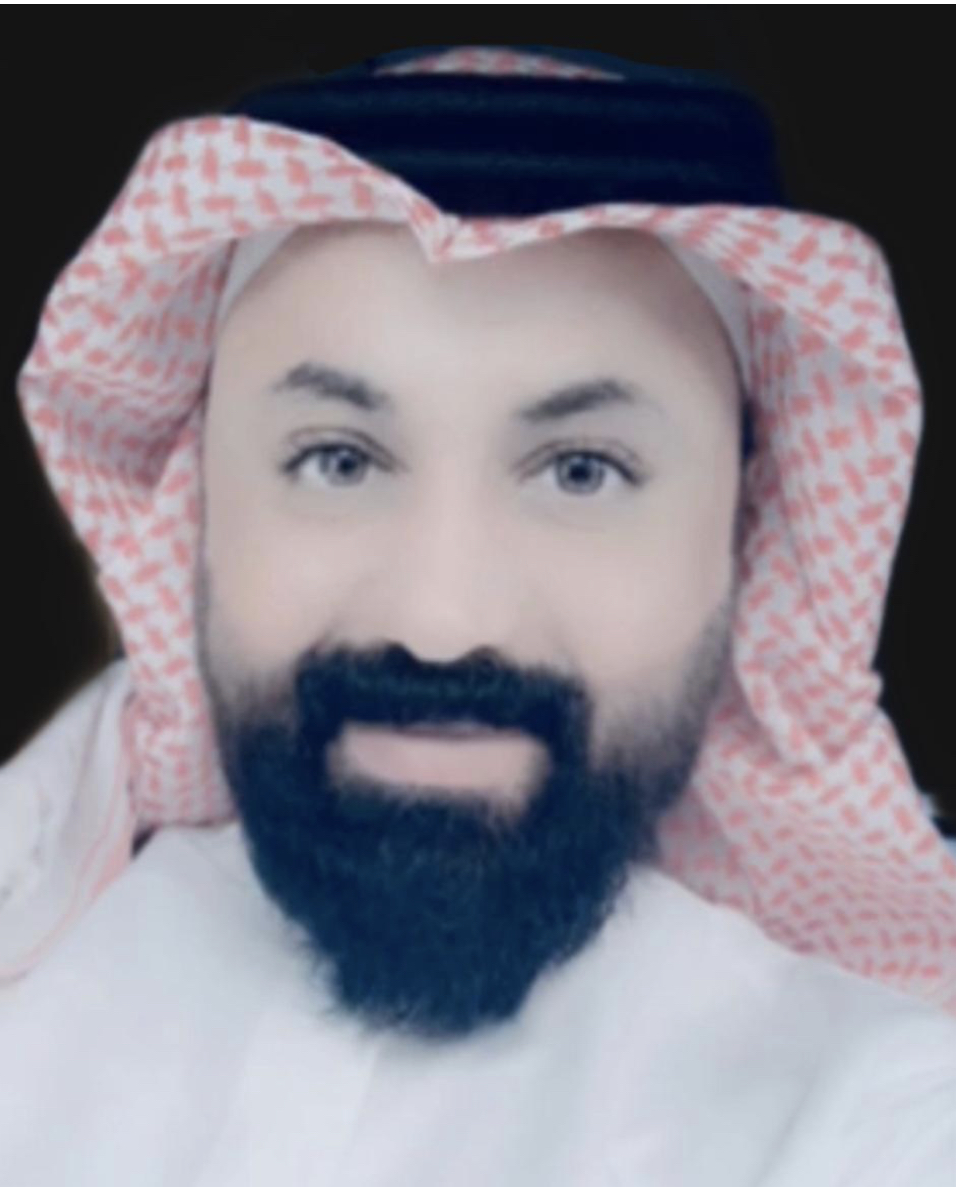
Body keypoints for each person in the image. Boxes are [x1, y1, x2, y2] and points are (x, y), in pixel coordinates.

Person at [1, 44, 954, 1185]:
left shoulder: (880, 1115)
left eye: (581, 471)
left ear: (744, 528)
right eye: (338, 459)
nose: (441, 621)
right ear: (197, 498)